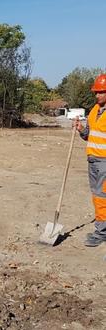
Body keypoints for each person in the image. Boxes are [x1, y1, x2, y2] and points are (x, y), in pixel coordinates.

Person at [74, 73, 106, 247]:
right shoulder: (95, 110)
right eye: (96, 92)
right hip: (93, 160)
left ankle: (101, 232)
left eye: (101, 92)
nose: (97, 95)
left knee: (102, 196)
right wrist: (80, 129)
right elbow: (89, 135)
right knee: (97, 195)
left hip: (105, 162)